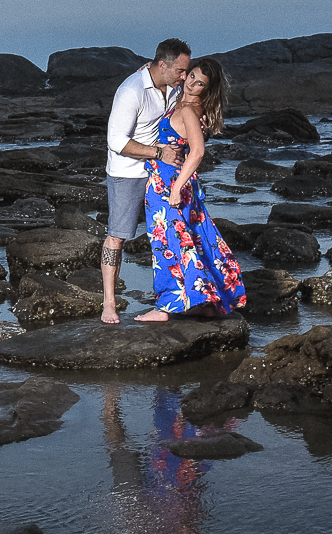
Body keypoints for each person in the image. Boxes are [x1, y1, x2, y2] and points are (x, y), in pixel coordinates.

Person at [135, 57, 246, 322]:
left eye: (200, 84)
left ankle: (165, 307)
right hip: (170, 181)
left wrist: (176, 189)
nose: (192, 84)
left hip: (170, 184)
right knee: (193, 239)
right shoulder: (181, 102)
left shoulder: (188, 110)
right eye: (192, 76)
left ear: (207, 90)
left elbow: (197, 152)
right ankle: (205, 302)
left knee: (167, 244)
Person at [102, 39, 192, 324]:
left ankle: (175, 299)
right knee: (118, 236)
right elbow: (115, 140)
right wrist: (159, 152)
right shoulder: (132, 90)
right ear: (162, 65)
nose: (183, 76)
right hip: (128, 173)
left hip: (160, 173)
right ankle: (109, 303)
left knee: (170, 234)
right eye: (179, 70)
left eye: (185, 71)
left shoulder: (172, 86)